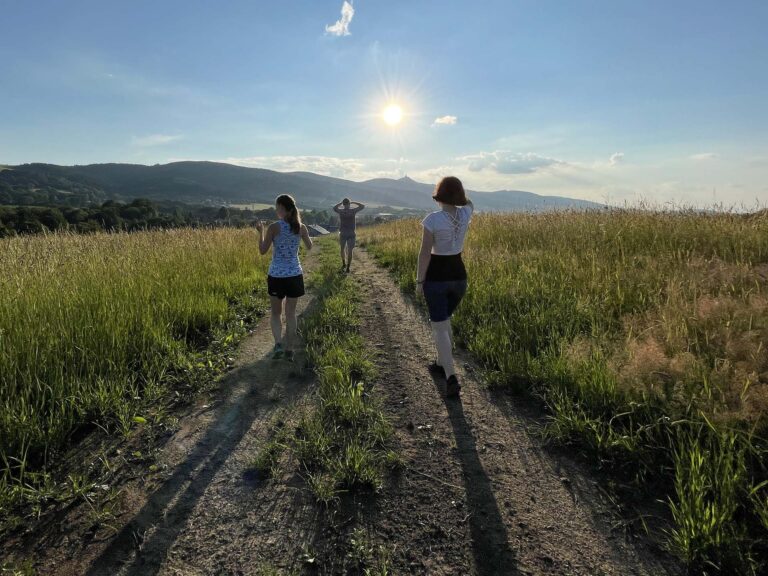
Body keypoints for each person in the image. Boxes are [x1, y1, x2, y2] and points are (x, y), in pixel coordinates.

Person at [417, 177, 473, 397]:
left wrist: (419, 281)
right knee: (445, 319)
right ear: (459, 194)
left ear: (438, 193)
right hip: (459, 277)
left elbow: (424, 254)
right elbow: (469, 203)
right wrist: (459, 196)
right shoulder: (465, 213)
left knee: (439, 326)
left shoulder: (432, 220)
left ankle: (450, 377)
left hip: (437, 277)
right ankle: (441, 361)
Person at [255, 194, 313, 361]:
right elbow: (310, 247)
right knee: (291, 313)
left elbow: (262, 250)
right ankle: (290, 348)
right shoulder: (301, 227)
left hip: (276, 276)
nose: (276, 210)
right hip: (294, 274)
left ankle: (278, 344)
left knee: (275, 313)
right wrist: (304, 235)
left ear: (283, 209)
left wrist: (261, 232)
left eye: (277, 207)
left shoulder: (274, 227)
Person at [333, 198, 365, 272]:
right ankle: (348, 267)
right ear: (349, 204)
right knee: (350, 250)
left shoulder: (341, 211)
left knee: (342, 249)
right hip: (351, 233)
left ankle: (344, 263)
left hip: (343, 233)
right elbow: (362, 206)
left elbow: (334, 208)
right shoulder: (353, 211)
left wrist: (340, 203)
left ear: (343, 204)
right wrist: (354, 202)